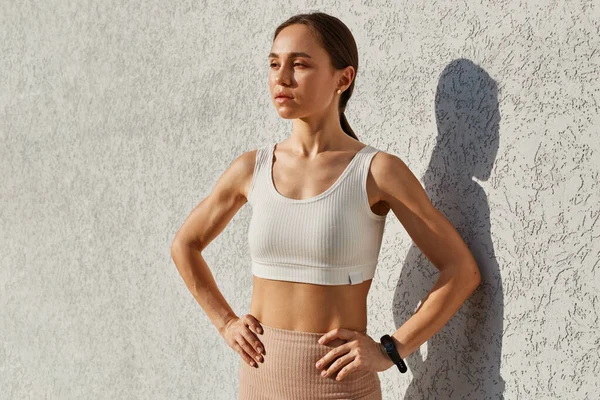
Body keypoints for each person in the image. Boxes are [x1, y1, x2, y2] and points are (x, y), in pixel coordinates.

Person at [170, 11, 481, 400]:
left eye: (299, 64)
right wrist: (226, 322)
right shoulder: (252, 168)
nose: (281, 78)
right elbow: (185, 245)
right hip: (258, 382)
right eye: (274, 64)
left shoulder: (376, 171)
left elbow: (462, 271)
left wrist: (392, 350)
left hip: (338, 388)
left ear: (343, 78)